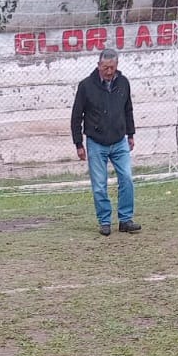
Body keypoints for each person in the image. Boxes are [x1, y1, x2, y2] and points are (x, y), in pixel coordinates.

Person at [71, 48, 140, 237]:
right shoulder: (85, 86)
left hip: (119, 141)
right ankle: (105, 221)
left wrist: (130, 134)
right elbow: (76, 116)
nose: (109, 71)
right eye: (105, 67)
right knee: (99, 184)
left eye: (112, 67)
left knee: (126, 179)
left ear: (117, 66)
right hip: (96, 142)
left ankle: (126, 220)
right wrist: (79, 143)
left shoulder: (124, 83)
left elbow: (128, 109)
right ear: (98, 66)